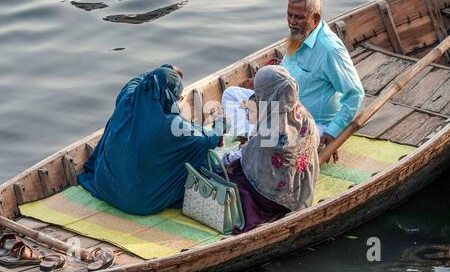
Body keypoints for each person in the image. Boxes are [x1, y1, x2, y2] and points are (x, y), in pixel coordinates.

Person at [77, 65, 222, 215]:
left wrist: (167, 68)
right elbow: (208, 141)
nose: (178, 101)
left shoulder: (127, 97)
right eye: (177, 98)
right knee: (198, 154)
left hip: (104, 185)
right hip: (140, 204)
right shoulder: (172, 125)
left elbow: (139, 79)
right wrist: (220, 126)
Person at [226, 65, 320, 233]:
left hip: (272, 200)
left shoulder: (271, 129)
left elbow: (248, 161)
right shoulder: (303, 114)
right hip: (299, 193)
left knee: (229, 171)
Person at [282, 0, 365, 162]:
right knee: (232, 94)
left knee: (277, 145)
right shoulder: (297, 36)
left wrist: (332, 132)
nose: (291, 22)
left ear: (315, 18)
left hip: (312, 124)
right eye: (289, 15)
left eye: (298, 17)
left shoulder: (330, 49)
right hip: (285, 111)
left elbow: (355, 93)